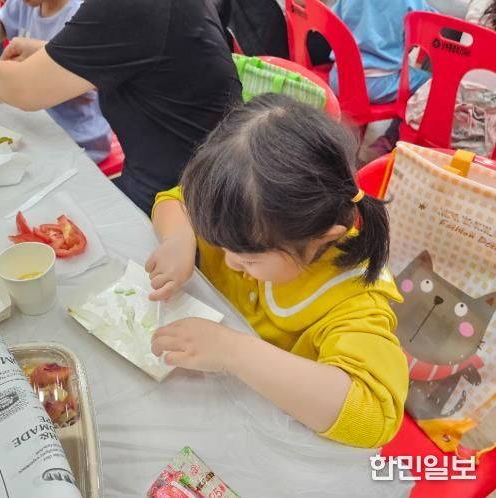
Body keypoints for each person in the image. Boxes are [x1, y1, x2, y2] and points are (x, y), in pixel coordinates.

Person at [147, 94, 408, 448]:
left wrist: (231, 351)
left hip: (269, 434)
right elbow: (175, 200)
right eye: (221, 246)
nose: (229, 262)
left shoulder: (354, 299)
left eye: (249, 259)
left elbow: (373, 416)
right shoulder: (243, 216)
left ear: (322, 238)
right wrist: (179, 238)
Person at [0, 0, 241, 215]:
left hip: (185, 195)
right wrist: (51, 52)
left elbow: (24, 90)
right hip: (190, 170)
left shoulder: (129, 6)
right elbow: (138, 51)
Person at [0, 0, 111, 163]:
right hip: (35, 122)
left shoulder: (83, 16)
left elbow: (85, 70)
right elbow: (2, 21)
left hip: (77, 137)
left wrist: (37, 57)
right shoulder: (25, 3)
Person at [405, 0, 496, 156]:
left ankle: (390, 139)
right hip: (483, 143)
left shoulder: (481, 6)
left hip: (427, 116)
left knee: (442, 48)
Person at [330, 0, 435, 104]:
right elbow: (426, 28)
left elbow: (333, 20)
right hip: (378, 85)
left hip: (338, 79)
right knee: (435, 83)